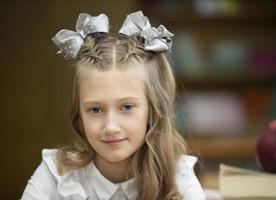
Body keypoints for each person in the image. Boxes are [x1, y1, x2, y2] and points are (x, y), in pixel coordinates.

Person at [21, 11, 206, 200]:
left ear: (152, 109)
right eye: (95, 109)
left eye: (126, 107)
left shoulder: (178, 176)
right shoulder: (55, 174)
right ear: (79, 114)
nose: (110, 127)